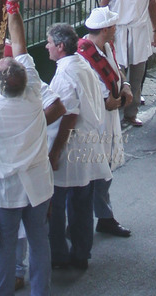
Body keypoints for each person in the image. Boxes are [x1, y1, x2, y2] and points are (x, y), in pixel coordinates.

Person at [0, 0, 53, 296]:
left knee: (2, 248)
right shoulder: (32, 89)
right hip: (38, 185)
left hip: (6, 192)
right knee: (39, 243)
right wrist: (12, 8)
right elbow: (19, 44)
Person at [46, 23, 112, 269]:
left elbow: (68, 115)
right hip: (88, 145)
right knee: (82, 202)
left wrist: (54, 152)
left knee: (57, 204)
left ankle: (59, 256)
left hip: (71, 147)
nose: (47, 47)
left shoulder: (65, 74)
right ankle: (82, 252)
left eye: (50, 42)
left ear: (60, 47)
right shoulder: (82, 64)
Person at [78, 6, 133, 236]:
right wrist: (124, 101)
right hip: (97, 121)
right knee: (96, 170)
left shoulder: (106, 46)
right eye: (113, 26)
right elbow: (106, 102)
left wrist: (126, 86)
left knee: (106, 168)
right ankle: (89, 220)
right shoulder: (85, 56)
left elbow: (117, 70)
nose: (115, 30)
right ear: (105, 29)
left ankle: (103, 216)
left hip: (109, 120)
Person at [100, 0, 156, 126]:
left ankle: (131, 113)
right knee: (118, 73)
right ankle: (114, 114)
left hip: (140, 31)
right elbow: (105, 1)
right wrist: (104, 30)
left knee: (138, 73)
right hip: (118, 31)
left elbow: (152, 3)